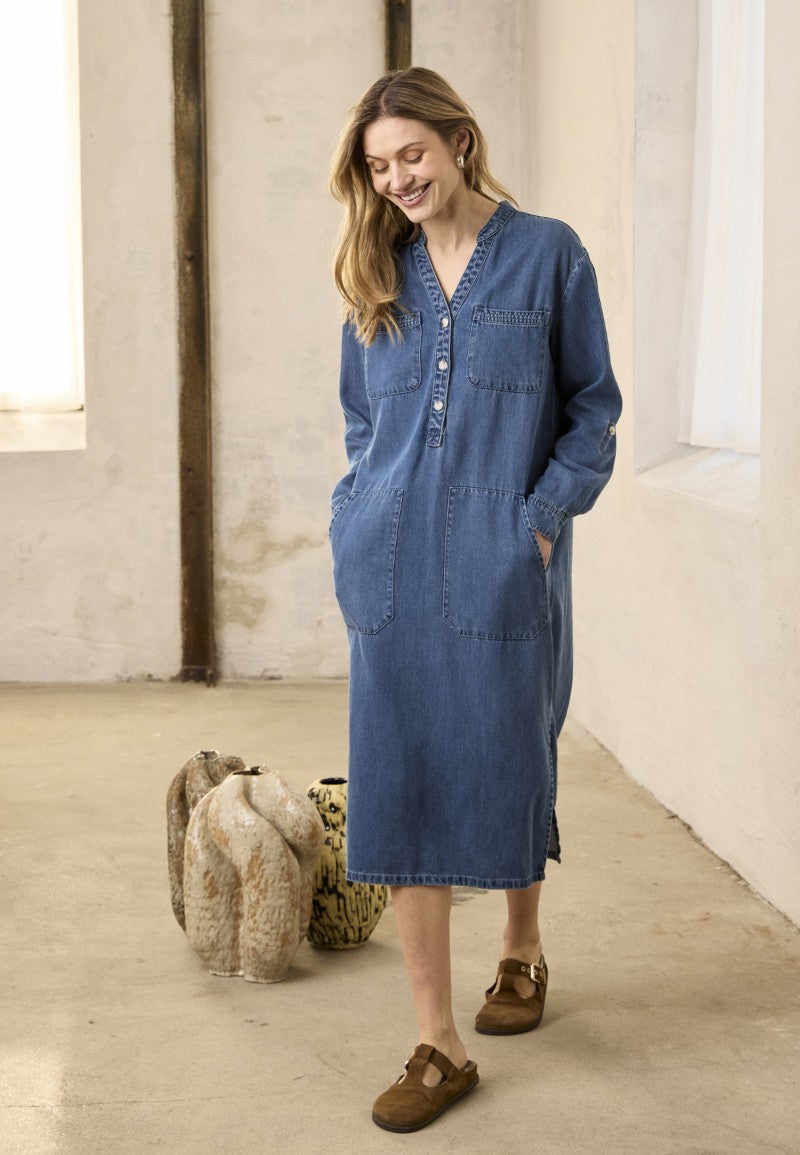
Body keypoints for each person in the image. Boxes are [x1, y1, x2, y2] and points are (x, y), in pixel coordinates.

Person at [328, 67, 622, 1133]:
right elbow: (362, 424)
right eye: (377, 166)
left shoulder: (548, 253)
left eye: (411, 153)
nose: (397, 179)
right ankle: (436, 1042)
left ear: (458, 140)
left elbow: (590, 409)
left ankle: (521, 948)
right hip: (392, 566)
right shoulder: (377, 273)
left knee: (510, 755)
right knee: (401, 775)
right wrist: (353, 518)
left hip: (505, 558)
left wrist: (539, 520)